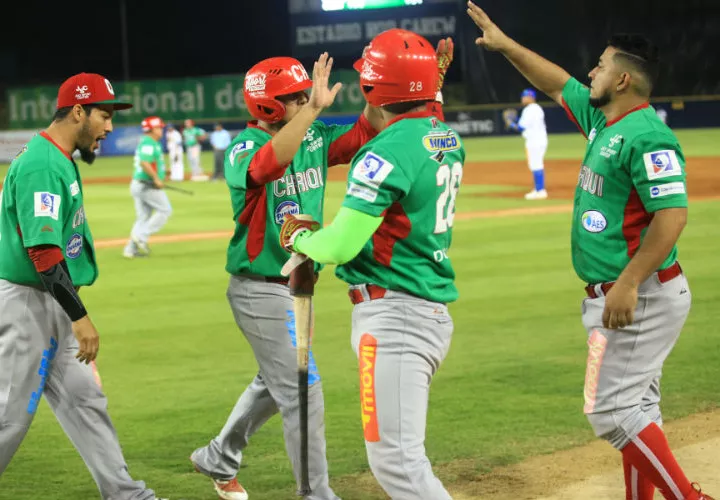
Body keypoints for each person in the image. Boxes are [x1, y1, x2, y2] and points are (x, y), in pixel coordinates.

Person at [467, 3, 714, 499]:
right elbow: (558, 82)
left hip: (637, 296)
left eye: (600, 65)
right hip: (624, 295)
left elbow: (672, 216)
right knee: (638, 407)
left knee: (610, 411)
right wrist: (504, 43)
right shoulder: (605, 123)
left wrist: (626, 283)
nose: (590, 71)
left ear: (622, 81)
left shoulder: (647, 134)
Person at [189, 43, 451, 499]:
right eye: (294, 97)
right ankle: (316, 494)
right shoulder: (242, 147)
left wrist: (414, 87)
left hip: (294, 286)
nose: (304, 100)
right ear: (268, 104)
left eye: (302, 94)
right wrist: (311, 111)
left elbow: (367, 130)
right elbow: (269, 164)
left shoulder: (313, 135)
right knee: (302, 388)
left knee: (275, 381)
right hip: (258, 286)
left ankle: (219, 455)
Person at [279, 29, 459, 500]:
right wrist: (429, 85)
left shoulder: (384, 152)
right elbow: (424, 115)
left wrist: (301, 236)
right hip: (422, 309)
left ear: (371, 89)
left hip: (395, 314)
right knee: (401, 459)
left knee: (397, 463)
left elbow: (339, 245)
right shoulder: (443, 135)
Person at [0, 72, 167, 500]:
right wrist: (81, 317)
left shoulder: (59, 157)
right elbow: (43, 252)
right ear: (77, 111)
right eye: (104, 115)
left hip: (50, 300)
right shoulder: (42, 163)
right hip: (27, 306)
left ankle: (127, 494)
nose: (110, 127)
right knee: (9, 416)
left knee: (85, 401)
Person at [123, 116, 172, 258]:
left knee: (143, 217)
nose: (161, 130)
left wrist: (163, 172)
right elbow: (145, 163)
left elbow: (149, 162)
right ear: (152, 129)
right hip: (146, 184)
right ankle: (141, 235)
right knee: (165, 210)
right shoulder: (149, 143)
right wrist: (157, 178)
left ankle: (130, 250)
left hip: (140, 184)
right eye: (159, 127)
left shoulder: (149, 142)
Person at [504, 88, 549, 199]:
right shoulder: (537, 108)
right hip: (539, 139)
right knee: (535, 164)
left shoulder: (529, 110)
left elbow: (521, 127)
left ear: (530, 98)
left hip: (535, 140)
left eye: (524, 96)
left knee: (536, 164)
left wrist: (511, 123)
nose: (522, 99)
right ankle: (537, 189)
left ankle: (541, 191)